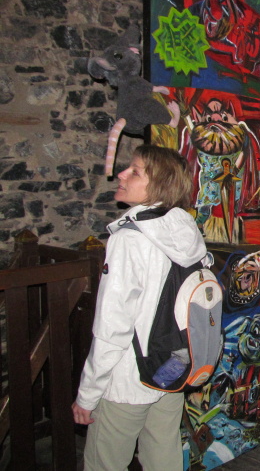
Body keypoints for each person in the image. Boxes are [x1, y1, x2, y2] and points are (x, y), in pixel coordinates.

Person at [72, 145, 210, 470]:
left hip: (128, 379)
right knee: (163, 460)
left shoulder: (129, 239)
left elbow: (112, 327)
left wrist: (88, 393)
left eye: (134, 171)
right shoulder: (185, 230)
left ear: (159, 184)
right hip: (171, 367)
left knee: (105, 464)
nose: (121, 174)